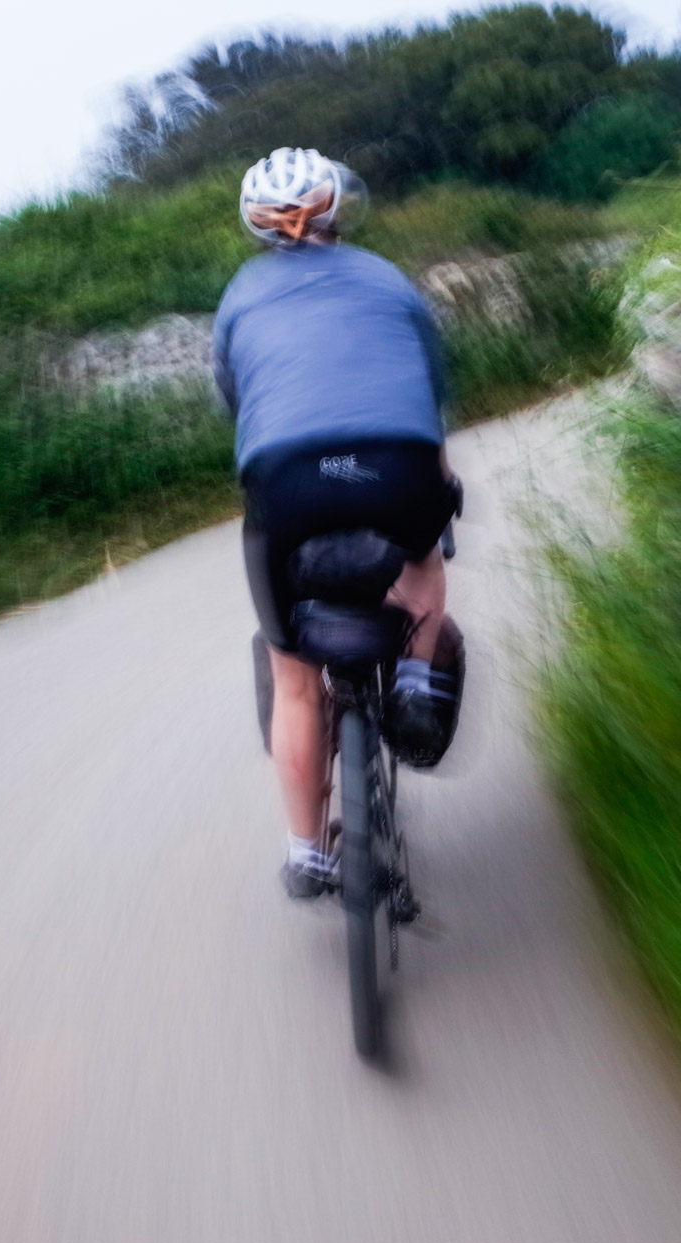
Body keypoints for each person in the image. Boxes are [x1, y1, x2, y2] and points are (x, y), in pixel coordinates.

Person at [213, 147, 461, 899]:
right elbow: (430, 388)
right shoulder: (386, 278)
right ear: (337, 205)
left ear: (258, 225)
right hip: (395, 465)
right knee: (423, 557)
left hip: (286, 482)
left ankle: (307, 854)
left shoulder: (241, 294)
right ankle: (414, 679)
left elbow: (235, 399)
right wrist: (440, 484)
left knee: (293, 678)